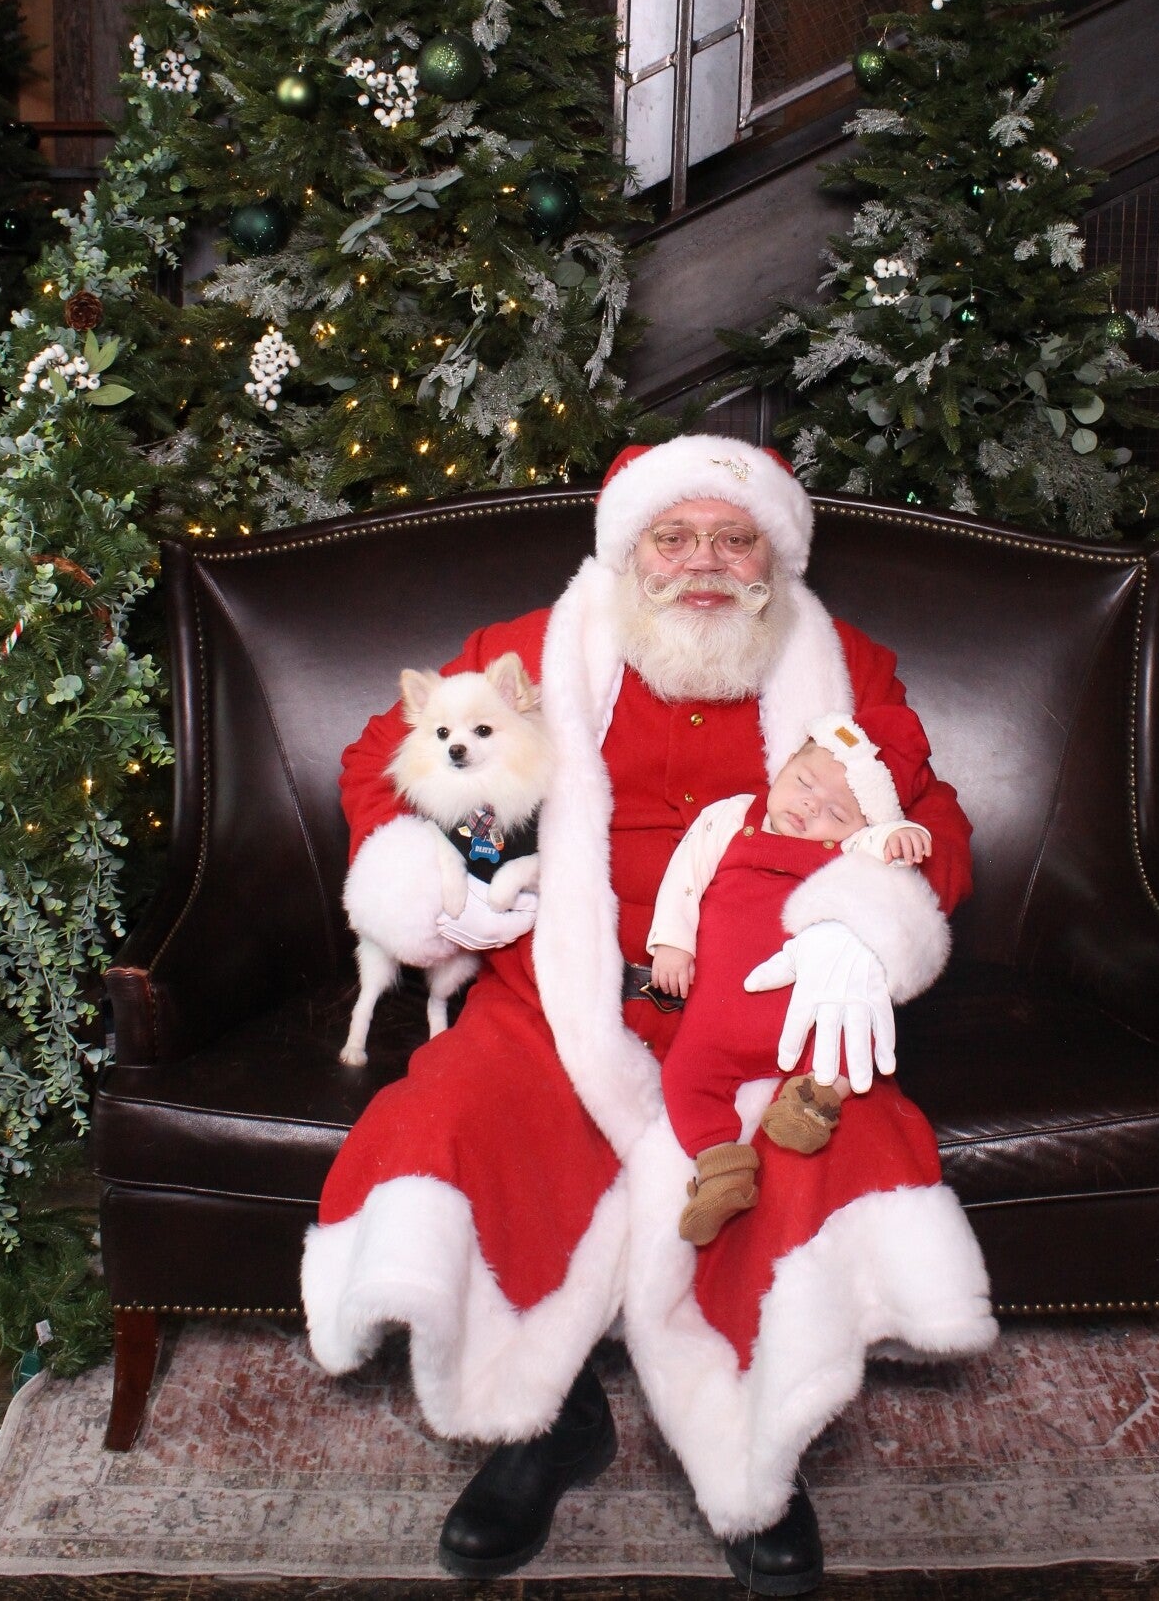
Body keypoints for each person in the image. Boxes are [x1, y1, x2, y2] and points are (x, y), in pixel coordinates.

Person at [302, 435, 996, 1593]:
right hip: (552, 990)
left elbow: (930, 817)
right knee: (460, 1122)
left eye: (733, 539)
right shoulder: (523, 650)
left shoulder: (848, 669)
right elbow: (385, 764)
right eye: (672, 539)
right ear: (630, 551)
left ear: (775, 554)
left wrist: (859, 928)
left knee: (822, 1155)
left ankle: (755, 1447)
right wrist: (435, 881)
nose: (703, 565)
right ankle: (547, 1422)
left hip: (763, 1005)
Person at [647, 711, 940, 1245]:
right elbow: (685, 875)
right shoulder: (734, 816)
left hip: (803, 1014)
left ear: (860, 826)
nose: (811, 806)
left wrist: (901, 836)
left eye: (837, 811)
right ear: (782, 767)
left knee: (857, 1048)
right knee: (682, 1076)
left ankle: (814, 1100)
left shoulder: (853, 847)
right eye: (804, 783)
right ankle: (721, 1165)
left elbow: (888, 850)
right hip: (719, 1012)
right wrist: (672, 941)